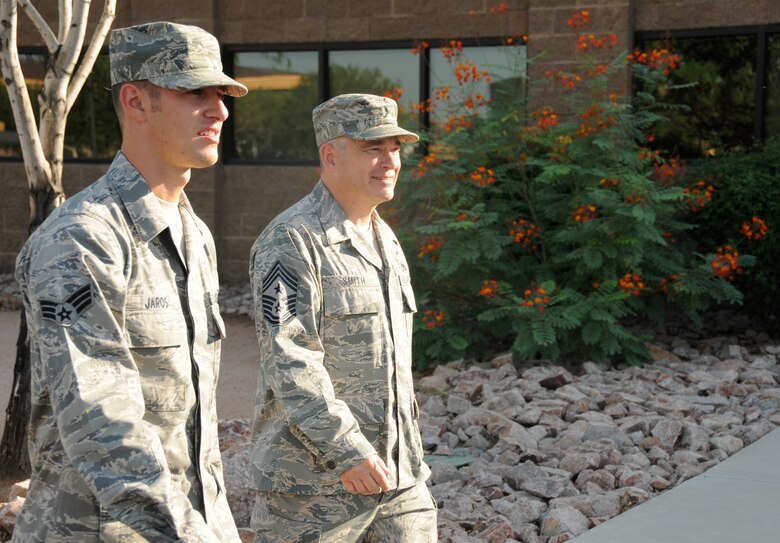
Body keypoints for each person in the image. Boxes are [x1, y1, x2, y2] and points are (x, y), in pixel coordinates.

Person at [13, 22, 247, 542]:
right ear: (137, 102)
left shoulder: (193, 234)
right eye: (195, 93)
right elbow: (103, 425)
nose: (220, 111)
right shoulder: (81, 239)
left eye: (222, 94)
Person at [248, 94, 437, 542]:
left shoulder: (384, 238)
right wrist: (347, 451)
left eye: (395, 147)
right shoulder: (291, 241)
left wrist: (403, 461)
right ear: (330, 155)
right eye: (373, 147)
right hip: (313, 491)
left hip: (398, 480)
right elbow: (290, 359)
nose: (390, 160)